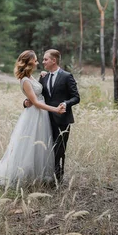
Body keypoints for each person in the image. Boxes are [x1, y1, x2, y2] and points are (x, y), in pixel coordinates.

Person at [0, 50, 66, 187]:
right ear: (30, 62)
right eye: (35, 60)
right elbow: (36, 102)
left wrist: (42, 77)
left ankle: (38, 174)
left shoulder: (31, 77)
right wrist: (56, 109)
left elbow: (38, 91)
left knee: (40, 144)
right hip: (34, 114)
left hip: (41, 115)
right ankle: (25, 174)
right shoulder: (25, 80)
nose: (38, 62)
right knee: (30, 145)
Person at [25, 49, 80, 185]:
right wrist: (25, 102)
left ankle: (58, 179)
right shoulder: (43, 77)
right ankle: (45, 176)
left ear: (53, 61)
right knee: (45, 149)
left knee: (59, 149)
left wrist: (66, 103)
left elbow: (76, 97)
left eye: (45, 59)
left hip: (62, 120)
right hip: (44, 119)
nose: (43, 62)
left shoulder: (67, 76)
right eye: (42, 59)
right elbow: (35, 96)